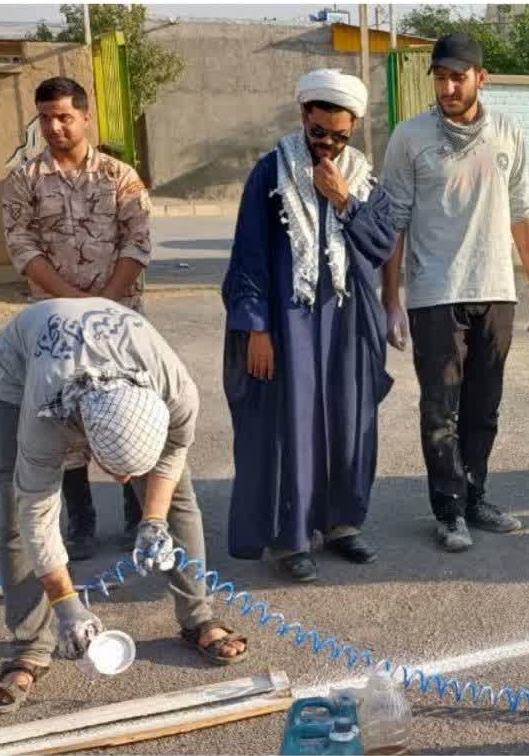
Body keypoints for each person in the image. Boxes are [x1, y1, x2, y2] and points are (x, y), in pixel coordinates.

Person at [0, 298, 249, 716]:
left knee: (176, 499)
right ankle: (30, 648)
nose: (124, 483)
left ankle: (198, 617)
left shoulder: (177, 391)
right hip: (22, 373)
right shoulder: (43, 418)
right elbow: (37, 516)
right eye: (115, 472)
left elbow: (172, 456)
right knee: (17, 511)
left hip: (122, 356)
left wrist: (153, 520)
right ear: (82, 436)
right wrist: (67, 604)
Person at [222, 69, 397, 583]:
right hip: (289, 322)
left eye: (339, 135)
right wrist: (256, 328)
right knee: (292, 429)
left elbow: (382, 244)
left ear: (355, 127)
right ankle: (291, 538)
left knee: (347, 421)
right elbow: (248, 256)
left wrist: (343, 199)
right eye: (318, 131)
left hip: (346, 321)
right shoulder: (270, 173)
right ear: (303, 115)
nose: (326, 144)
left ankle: (342, 524)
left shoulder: (364, 178)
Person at [380, 32, 529, 552]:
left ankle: (476, 496)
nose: (448, 87)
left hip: (496, 290)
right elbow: (393, 224)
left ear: (481, 77)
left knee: (484, 407)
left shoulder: (507, 134)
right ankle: (448, 510)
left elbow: (522, 213)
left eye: (458, 76)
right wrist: (392, 301)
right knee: (440, 407)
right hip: (435, 294)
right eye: (440, 77)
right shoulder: (409, 138)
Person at [2, 76, 149, 561]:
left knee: (126, 408)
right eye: (45, 117)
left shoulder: (120, 177)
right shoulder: (24, 179)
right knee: (61, 413)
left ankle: (136, 513)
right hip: (55, 323)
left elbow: (137, 242)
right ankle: (81, 520)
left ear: (86, 117)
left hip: (118, 320)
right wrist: (70, 300)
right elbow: (21, 246)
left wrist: (105, 301)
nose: (54, 126)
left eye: (64, 116)